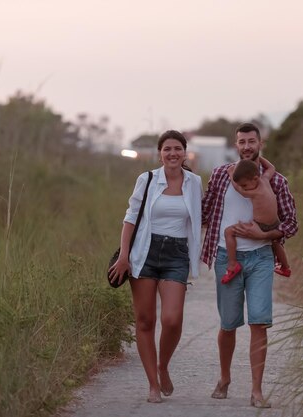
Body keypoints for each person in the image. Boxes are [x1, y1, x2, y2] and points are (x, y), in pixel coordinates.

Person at [201, 122, 298, 408]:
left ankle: (256, 390)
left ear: (260, 144)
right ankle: (225, 378)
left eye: (251, 141)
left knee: (259, 323)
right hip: (226, 257)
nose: (246, 146)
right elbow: (204, 211)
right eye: (241, 142)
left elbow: (291, 224)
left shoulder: (276, 181)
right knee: (228, 324)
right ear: (236, 145)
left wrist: (264, 235)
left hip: (260, 258)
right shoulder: (221, 175)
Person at [108, 130, 202, 403]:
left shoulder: (194, 182)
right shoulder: (147, 179)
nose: (172, 153)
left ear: (185, 152)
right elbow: (130, 218)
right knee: (145, 320)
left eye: (177, 149)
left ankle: (163, 365)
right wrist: (124, 256)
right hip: (144, 253)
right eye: (167, 149)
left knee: (172, 319)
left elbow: (201, 216)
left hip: (176, 254)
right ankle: (152, 383)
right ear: (160, 153)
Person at [221, 156, 291, 284]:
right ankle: (285, 267)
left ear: (255, 178)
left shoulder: (254, 192)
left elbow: (238, 189)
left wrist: (231, 173)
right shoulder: (265, 179)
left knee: (228, 232)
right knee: (276, 242)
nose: (245, 187)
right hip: (275, 223)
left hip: (260, 226)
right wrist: (260, 157)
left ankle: (232, 265)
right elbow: (271, 168)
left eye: (245, 185)